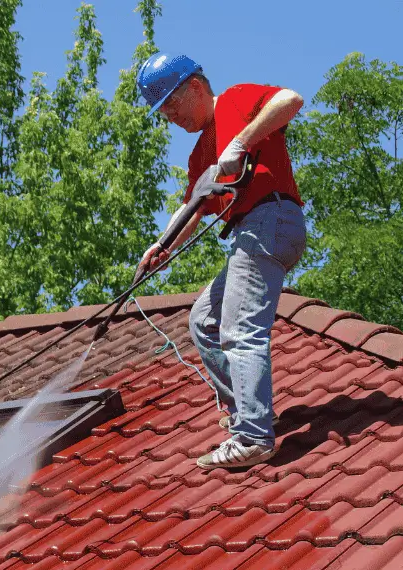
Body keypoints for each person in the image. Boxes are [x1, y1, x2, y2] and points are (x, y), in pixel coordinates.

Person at [137, 53, 307, 470]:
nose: (171, 118)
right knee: (204, 321)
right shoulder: (199, 157)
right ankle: (244, 416)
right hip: (255, 231)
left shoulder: (234, 100)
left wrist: (241, 142)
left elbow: (291, 98)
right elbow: (194, 207)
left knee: (238, 327)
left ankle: (253, 436)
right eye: (163, 114)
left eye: (172, 106)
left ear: (195, 86)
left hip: (271, 219)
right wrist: (161, 245)